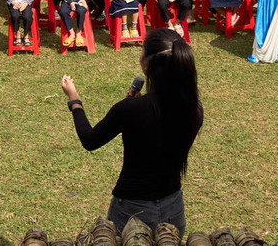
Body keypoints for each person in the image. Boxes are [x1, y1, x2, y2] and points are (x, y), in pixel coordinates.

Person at [62, 29, 203, 233]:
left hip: (131, 212)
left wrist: (74, 100)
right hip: (173, 208)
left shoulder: (130, 109)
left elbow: (90, 140)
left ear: (147, 63)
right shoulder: (194, 109)